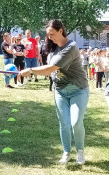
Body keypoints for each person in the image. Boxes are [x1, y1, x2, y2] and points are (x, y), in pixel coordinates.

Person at [20, 19, 89, 165]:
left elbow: (51, 68)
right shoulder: (52, 47)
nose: (49, 37)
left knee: (76, 122)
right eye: (48, 34)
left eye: (52, 34)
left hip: (78, 90)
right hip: (60, 91)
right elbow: (48, 67)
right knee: (64, 123)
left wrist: (31, 70)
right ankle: (66, 152)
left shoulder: (71, 47)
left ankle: (80, 151)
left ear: (61, 31)